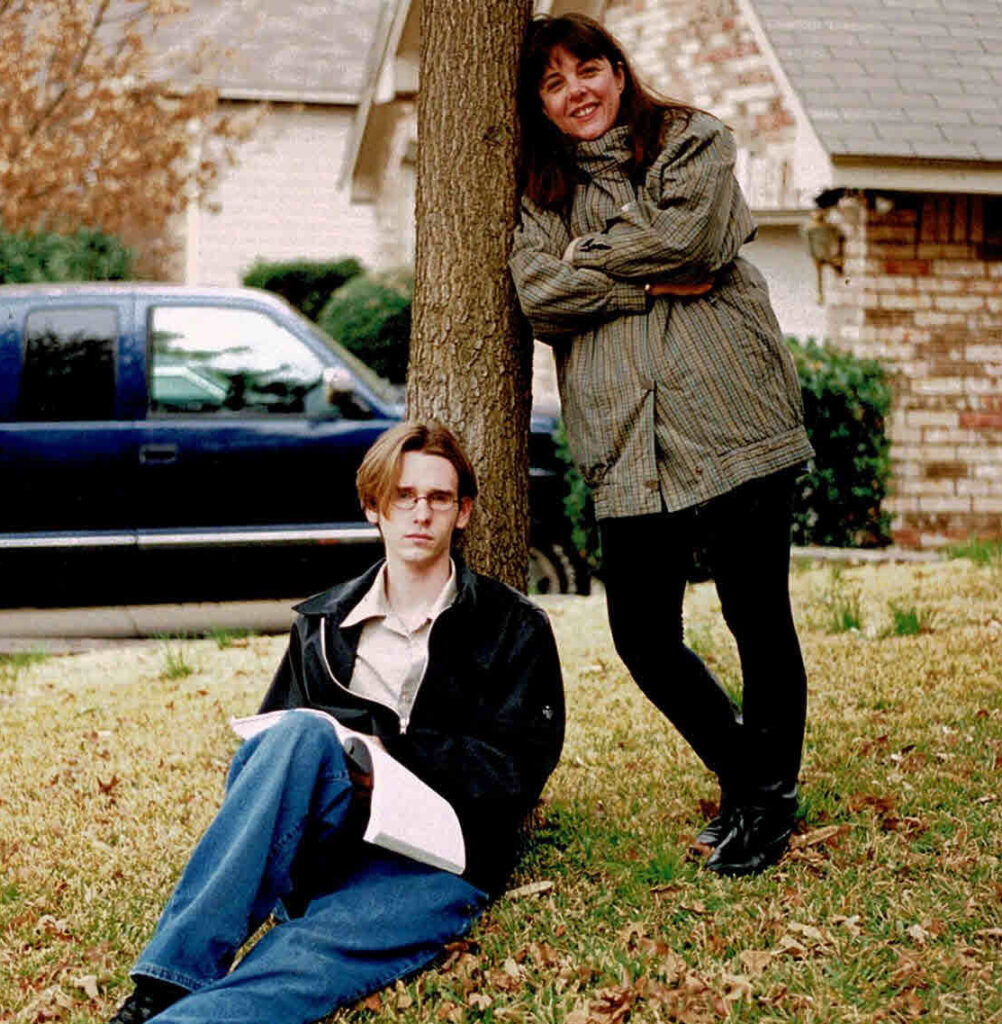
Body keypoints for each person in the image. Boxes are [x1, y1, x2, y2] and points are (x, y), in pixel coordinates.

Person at [108, 421, 565, 1024]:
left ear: (465, 513)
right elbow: (270, 759)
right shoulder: (322, 622)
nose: (420, 513)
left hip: (433, 864)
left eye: (438, 498)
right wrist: (343, 763)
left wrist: (389, 758)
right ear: (374, 508)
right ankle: (164, 984)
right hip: (326, 845)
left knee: (302, 958)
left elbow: (519, 769)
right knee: (297, 733)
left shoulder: (514, 627)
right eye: (402, 496)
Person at [510, 13, 814, 877]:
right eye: (554, 82)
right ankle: (756, 785)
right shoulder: (540, 193)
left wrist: (589, 263)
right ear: (540, 104)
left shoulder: (691, 140)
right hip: (624, 441)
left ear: (618, 68)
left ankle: (764, 805)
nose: (578, 92)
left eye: (589, 69)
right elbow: (538, 299)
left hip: (732, 418)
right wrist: (650, 282)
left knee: (758, 618)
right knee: (643, 635)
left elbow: (698, 239)